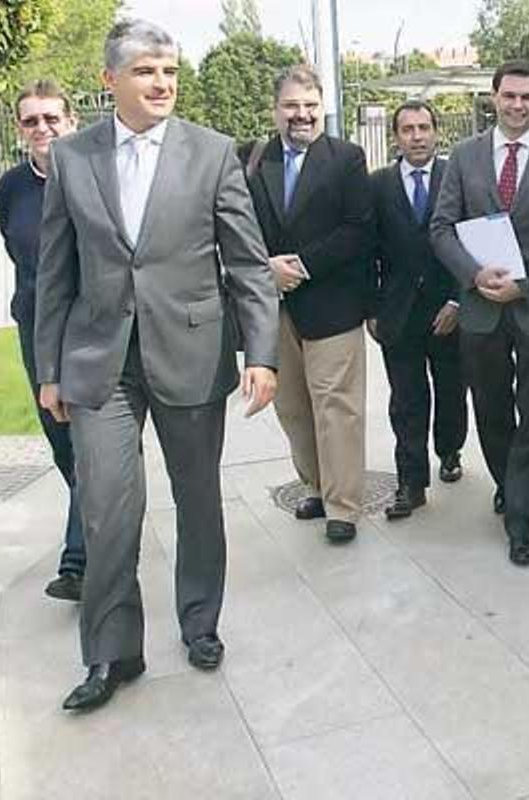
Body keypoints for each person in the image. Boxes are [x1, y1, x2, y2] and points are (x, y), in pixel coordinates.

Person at [34, 19, 279, 712]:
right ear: (111, 80)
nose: (162, 82)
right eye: (145, 70)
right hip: (98, 361)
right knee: (109, 509)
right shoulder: (73, 158)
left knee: (197, 498)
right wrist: (50, 368)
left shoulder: (213, 153)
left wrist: (261, 352)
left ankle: (199, 623)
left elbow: (248, 265)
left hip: (192, 353)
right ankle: (114, 654)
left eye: (169, 69)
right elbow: (55, 274)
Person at [431, 60, 529, 567]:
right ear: (493, 98)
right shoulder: (465, 157)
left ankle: (522, 518)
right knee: (491, 410)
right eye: (509, 96)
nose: (517, 105)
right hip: (479, 309)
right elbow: (442, 228)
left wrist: (524, 285)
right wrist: (475, 278)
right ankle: (509, 481)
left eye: (526, 97)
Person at [245, 65, 374, 544]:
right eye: (292, 106)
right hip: (275, 309)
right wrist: (265, 267)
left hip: (333, 306)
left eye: (311, 106)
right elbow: (237, 228)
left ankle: (344, 506)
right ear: (275, 110)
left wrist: (298, 266)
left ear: (323, 107)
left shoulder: (346, 159)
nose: (302, 115)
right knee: (294, 409)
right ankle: (317, 488)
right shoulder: (255, 161)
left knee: (336, 408)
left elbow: (359, 230)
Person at [0, 80, 85, 601]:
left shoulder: (95, 177)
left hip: (91, 330)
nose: (43, 128)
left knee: (92, 443)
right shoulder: (10, 188)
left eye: (52, 117)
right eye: (31, 120)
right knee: (63, 444)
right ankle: (100, 527)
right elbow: (20, 254)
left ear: (71, 120)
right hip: (35, 329)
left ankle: (79, 560)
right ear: (20, 129)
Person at [370, 100, 468, 519]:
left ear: (436, 132)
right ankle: (411, 482)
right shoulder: (376, 185)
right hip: (398, 314)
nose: (417, 136)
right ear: (396, 137)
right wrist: (371, 308)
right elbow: (365, 251)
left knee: (450, 392)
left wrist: (458, 300)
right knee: (406, 401)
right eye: (407, 129)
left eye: (424, 127)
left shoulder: (455, 178)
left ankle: (450, 450)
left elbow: (472, 240)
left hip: (449, 310)